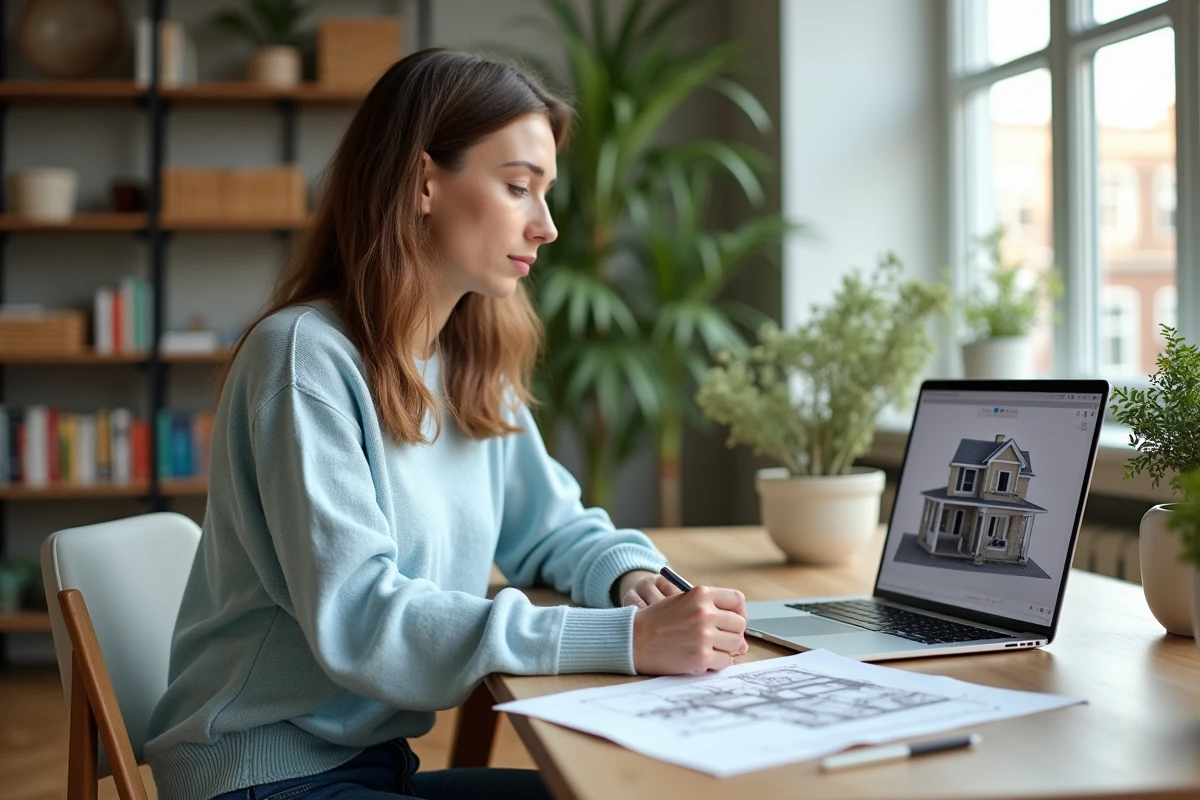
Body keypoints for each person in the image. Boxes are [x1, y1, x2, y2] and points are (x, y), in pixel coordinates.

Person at [143, 48, 749, 800]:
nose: (547, 227)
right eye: (518, 187)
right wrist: (623, 640)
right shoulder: (304, 360)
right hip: (264, 775)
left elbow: (550, 528)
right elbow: (361, 620)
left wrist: (633, 580)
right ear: (423, 182)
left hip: (373, 764)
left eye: (546, 193)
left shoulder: (465, 363)